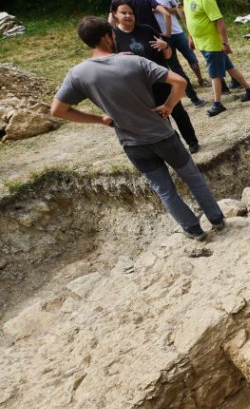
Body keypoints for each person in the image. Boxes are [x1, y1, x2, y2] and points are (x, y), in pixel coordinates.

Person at [50, 16, 225, 241]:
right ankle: (217, 220)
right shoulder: (134, 62)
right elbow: (179, 82)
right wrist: (169, 105)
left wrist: (99, 119)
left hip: (132, 144)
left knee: (164, 189)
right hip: (163, 135)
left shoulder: (78, 74)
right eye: (113, 35)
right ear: (106, 37)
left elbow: (58, 110)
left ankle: (193, 230)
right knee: (192, 177)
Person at [112, 0, 201, 154]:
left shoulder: (146, 30)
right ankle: (176, 147)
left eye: (131, 13)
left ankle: (192, 141)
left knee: (178, 111)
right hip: (140, 87)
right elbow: (109, 63)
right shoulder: (114, 37)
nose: (128, 16)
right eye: (123, 13)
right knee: (160, 120)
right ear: (115, 14)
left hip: (162, 79)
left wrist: (165, 46)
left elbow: (167, 56)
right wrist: (117, 57)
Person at [176, 0, 250, 117]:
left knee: (214, 74)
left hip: (212, 43)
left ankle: (217, 103)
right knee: (229, 68)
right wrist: (191, 37)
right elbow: (191, 20)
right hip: (202, 42)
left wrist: (224, 42)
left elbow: (219, 20)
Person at [136, 0, 209, 98]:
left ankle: (200, 79)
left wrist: (167, 10)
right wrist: (154, 9)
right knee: (173, 64)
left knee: (191, 56)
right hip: (159, 34)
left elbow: (178, 7)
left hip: (176, 30)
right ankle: (187, 89)